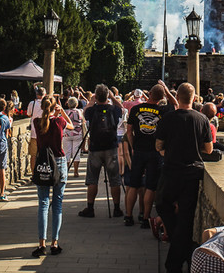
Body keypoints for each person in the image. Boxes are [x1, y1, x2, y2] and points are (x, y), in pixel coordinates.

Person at [154, 82, 214, 273]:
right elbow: (209, 149)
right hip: (192, 173)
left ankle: (177, 258)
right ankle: (184, 251)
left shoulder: (168, 118)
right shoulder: (202, 119)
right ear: (194, 98)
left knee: (163, 204)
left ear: (177, 97)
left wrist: (167, 150)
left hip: (171, 170)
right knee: (186, 217)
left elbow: (158, 145)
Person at [125, 81, 177, 228]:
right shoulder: (162, 110)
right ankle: (146, 218)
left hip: (139, 149)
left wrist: (133, 145)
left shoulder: (135, 109)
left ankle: (128, 216)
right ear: (161, 97)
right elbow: (176, 105)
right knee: (150, 186)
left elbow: (129, 131)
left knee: (133, 185)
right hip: (154, 151)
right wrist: (167, 90)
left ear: (149, 94)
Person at [30, 95, 73, 257]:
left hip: (43, 163)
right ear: (55, 107)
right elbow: (71, 126)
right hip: (59, 163)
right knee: (58, 203)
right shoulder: (59, 122)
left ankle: (41, 243)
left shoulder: (37, 122)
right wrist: (61, 112)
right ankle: (54, 242)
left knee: (43, 203)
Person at [78, 84, 123, 218]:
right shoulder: (113, 109)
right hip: (111, 147)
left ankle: (90, 208)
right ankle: (116, 208)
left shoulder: (92, 111)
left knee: (92, 179)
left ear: (96, 96)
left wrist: (92, 100)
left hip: (95, 148)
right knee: (114, 179)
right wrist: (113, 98)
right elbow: (122, 109)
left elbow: (84, 112)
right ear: (107, 96)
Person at [62, 97, 84, 177]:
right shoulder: (80, 111)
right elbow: (83, 122)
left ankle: (66, 171)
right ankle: (76, 171)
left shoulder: (65, 112)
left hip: (67, 133)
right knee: (76, 152)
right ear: (77, 104)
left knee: (67, 152)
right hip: (77, 133)